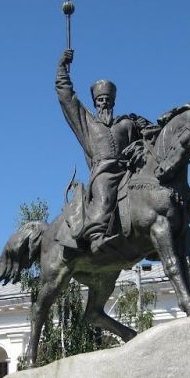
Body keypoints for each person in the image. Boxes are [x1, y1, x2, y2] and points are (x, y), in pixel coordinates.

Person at [56, 49, 140, 254]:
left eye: (107, 100)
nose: (104, 103)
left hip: (127, 170)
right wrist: (62, 68)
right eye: (100, 100)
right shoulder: (88, 123)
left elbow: (139, 144)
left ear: (113, 102)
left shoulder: (126, 124)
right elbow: (67, 98)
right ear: (95, 103)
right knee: (104, 197)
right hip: (103, 173)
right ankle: (96, 235)